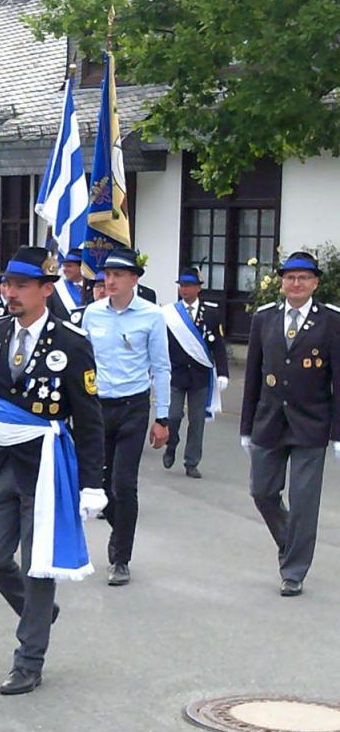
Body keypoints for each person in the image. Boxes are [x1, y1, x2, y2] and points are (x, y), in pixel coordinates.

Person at [0, 246, 106, 695]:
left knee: (37, 562)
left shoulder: (71, 341)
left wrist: (92, 484)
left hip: (45, 463)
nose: (10, 293)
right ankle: (38, 612)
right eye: (7, 284)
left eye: (21, 285)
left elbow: (89, 415)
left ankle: (28, 659)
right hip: (4, 460)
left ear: (47, 289)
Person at [241, 251, 340, 597]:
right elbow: (252, 375)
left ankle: (294, 571)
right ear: (281, 283)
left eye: (303, 278)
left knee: (303, 500)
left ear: (315, 283)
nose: (296, 284)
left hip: (311, 424)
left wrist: (338, 433)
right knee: (262, 491)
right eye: (290, 278)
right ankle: (290, 542)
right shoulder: (265, 318)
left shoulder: (331, 321)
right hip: (269, 421)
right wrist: (245, 428)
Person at [82, 247, 171, 586]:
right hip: (98, 407)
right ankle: (120, 531)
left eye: (118, 275)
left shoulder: (152, 316)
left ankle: (121, 557)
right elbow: (84, 362)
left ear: (134, 280)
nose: (111, 281)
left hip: (133, 407)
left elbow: (161, 368)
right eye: (107, 275)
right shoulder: (92, 314)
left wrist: (163, 418)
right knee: (100, 487)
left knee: (123, 483)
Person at [162, 268, 229, 479]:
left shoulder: (211, 313)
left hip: (200, 375)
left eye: (189, 285)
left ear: (198, 288)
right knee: (173, 415)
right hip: (176, 373)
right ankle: (171, 444)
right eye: (181, 285)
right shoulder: (170, 314)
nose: (184, 289)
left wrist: (223, 373)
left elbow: (218, 344)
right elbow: (161, 345)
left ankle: (192, 462)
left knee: (197, 420)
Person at [48, 249, 85, 321]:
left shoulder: (94, 288)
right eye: (64, 266)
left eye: (69, 266)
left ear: (81, 267)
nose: (64, 270)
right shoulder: (55, 289)